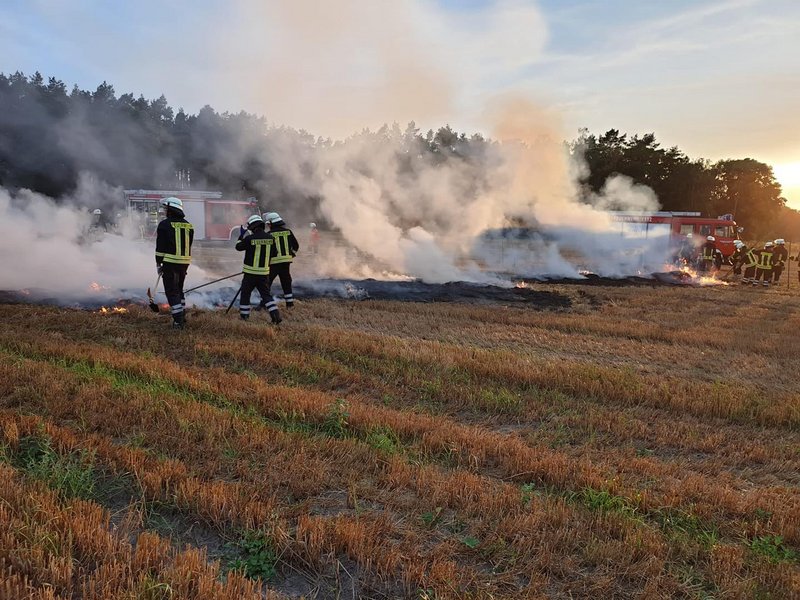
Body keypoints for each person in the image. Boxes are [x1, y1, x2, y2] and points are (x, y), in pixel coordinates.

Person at [155, 197, 193, 329]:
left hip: (170, 263)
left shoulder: (164, 224)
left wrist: (158, 264)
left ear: (171, 209)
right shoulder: (188, 225)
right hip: (184, 263)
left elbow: (160, 248)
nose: (165, 211)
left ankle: (178, 321)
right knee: (179, 290)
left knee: (171, 292)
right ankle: (182, 315)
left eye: (166, 208)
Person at [235, 215, 281, 324]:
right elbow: (275, 254)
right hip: (264, 274)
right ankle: (276, 316)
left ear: (253, 227)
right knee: (266, 296)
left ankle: (244, 317)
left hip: (250, 274)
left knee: (245, 294)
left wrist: (241, 236)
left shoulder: (249, 238)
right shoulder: (271, 238)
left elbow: (238, 247)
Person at [258, 212, 299, 310]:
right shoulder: (288, 232)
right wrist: (291, 254)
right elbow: (296, 246)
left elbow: (266, 251)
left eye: (268, 224)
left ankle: (264, 303)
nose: (268, 226)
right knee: (286, 282)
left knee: (267, 283)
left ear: (271, 223)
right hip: (286, 263)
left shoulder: (269, 235)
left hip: (273, 263)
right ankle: (290, 304)